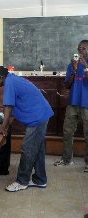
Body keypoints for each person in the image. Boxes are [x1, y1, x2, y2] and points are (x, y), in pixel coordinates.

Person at [0, 66, 54, 192]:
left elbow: (8, 107)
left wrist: (3, 127)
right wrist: (6, 125)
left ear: (1, 77)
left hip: (37, 118)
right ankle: (40, 180)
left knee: (28, 148)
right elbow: (13, 109)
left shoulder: (9, 82)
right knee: (37, 149)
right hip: (41, 115)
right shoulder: (13, 80)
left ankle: (22, 181)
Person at [54, 40, 88, 169]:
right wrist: (74, 70)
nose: (80, 51)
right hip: (73, 103)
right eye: (79, 49)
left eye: (83, 49)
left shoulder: (85, 64)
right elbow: (67, 85)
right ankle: (66, 159)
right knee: (67, 132)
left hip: (86, 104)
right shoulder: (72, 65)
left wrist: (85, 67)